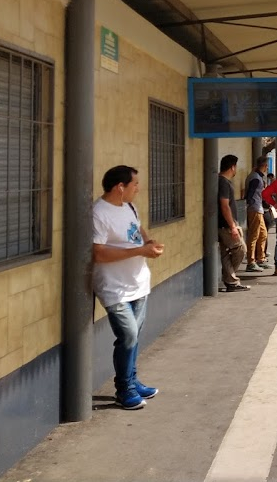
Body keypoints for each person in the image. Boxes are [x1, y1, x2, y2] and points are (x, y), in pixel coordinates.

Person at [92, 165, 165, 410]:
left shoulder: (129, 206)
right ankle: (124, 389)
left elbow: (138, 228)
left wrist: (149, 242)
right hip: (114, 288)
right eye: (134, 184)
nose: (138, 188)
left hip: (138, 283)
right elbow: (98, 253)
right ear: (119, 187)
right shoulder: (99, 213)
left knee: (133, 337)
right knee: (128, 336)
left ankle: (133, 380)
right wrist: (140, 250)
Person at [218, 155, 250, 291]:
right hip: (226, 226)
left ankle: (230, 281)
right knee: (241, 249)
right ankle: (230, 278)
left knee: (225, 253)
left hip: (223, 224)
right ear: (232, 167)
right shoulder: (224, 183)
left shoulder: (220, 181)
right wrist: (232, 226)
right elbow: (225, 206)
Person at [243, 156, 271, 272]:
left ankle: (261, 258)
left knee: (263, 234)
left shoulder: (257, 176)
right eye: (266, 166)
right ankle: (251, 261)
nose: (267, 168)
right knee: (254, 235)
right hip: (255, 208)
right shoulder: (255, 178)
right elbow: (251, 194)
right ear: (264, 166)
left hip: (258, 208)